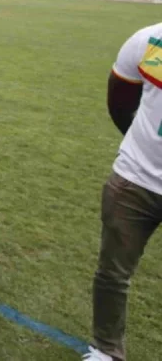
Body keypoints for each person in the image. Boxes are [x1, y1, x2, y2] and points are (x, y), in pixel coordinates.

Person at [83, 23, 162, 361]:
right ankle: (107, 349)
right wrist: (139, 147)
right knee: (113, 273)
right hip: (135, 179)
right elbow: (120, 98)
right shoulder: (151, 40)